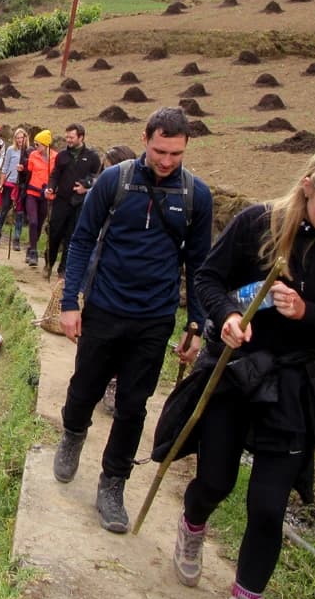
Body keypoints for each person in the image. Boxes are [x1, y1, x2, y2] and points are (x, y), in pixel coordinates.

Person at [171, 146, 315, 599]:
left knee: (267, 507)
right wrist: (224, 317)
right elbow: (207, 278)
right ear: (309, 187)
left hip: (291, 384)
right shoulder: (255, 224)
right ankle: (192, 523)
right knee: (215, 481)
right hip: (234, 372)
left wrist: (308, 313)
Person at [53, 107, 213, 533]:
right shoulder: (115, 180)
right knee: (85, 387)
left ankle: (113, 484)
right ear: (145, 138)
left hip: (155, 319)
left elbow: (199, 266)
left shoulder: (196, 195)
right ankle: (72, 434)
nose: (166, 161)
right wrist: (71, 303)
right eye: (160, 150)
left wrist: (195, 325)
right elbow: (83, 239)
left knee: (132, 406)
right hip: (105, 308)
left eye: (176, 154)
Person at [96, 146, 138, 415]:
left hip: (135, 281)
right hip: (104, 277)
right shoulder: (102, 193)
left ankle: (117, 384)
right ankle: (105, 382)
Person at [43, 123, 101, 280]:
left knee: (71, 236)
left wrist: (86, 186)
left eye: (71, 137)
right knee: (54, 233)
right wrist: (50, 187)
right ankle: (49, 262)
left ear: (81, 137)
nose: (68, 140)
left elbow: (96, 177)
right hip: (60, 201)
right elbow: (55, 175)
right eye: (66, 136)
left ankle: (63, 269)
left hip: (79, 203)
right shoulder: (62, 156)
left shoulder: (92, 157)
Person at [0, 127, 29, 251]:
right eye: (17, 138)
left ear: (26, 138)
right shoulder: (10, 150)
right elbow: (5, 168)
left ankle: (16, 239)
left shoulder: (29, 152)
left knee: (19, 214)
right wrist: (1, 184)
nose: (20, 140)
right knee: (4, 209)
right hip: (9, 183)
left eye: (22, 138)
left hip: (21, 186)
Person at [24, 129, 56, 267]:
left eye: (38, 144)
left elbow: (56, 176)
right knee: (33, 222)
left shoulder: (56, 157)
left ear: (45, 145)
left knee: (39, 224)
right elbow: (28, 174)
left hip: (45, 195)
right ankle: (34, 253)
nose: (35, 147)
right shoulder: (33, 155)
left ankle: (31, 247)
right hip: (31, 193)